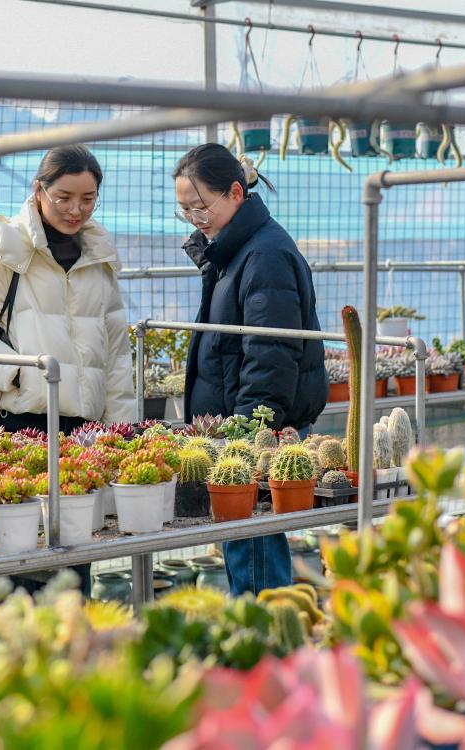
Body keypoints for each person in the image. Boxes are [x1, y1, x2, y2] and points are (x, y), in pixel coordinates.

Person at [0, 144, 134, 595]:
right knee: (19, 557)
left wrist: (121, 432)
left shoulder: (99, 256)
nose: (75, 210)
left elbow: (116, 353)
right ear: (39, 190)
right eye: (64, 197)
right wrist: (21, 374)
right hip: (21, 425)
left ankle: (69, 658)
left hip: (82, 433)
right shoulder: (6, 250)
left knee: (75, 561)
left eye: (88, 199)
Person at [173, 143, 328, 596]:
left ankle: (269, 644)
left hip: (251, 427)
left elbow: (270, 355)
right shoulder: (235, 250)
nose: (194, 219)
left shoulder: (263, 256)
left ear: (237, 194)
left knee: (254, 545)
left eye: (201, 207)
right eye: (185, 210)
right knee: (247, 544)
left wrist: (247, 433)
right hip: (237, 420)